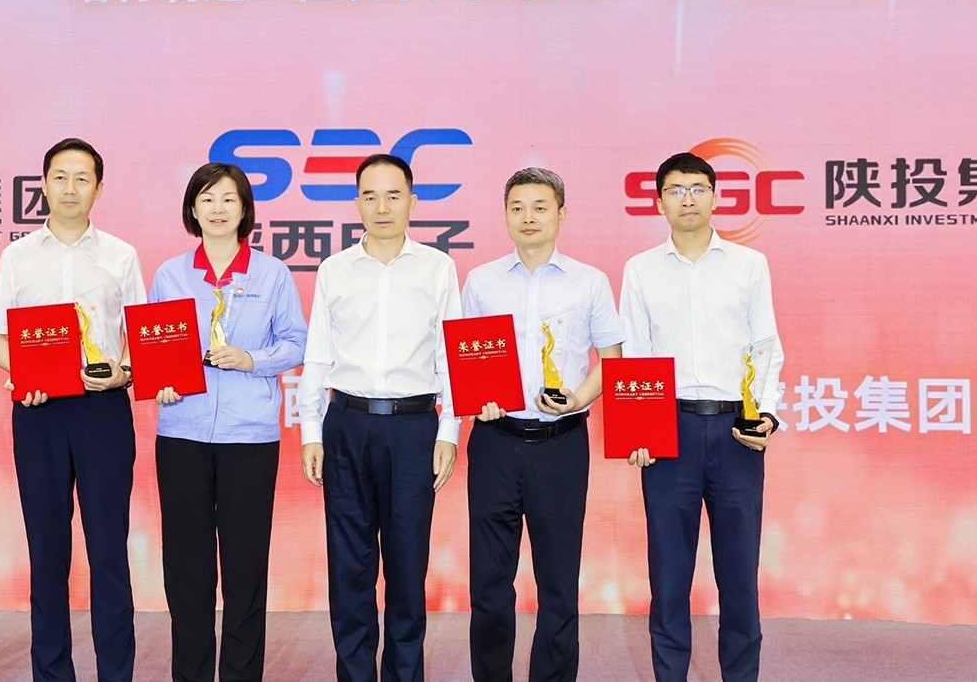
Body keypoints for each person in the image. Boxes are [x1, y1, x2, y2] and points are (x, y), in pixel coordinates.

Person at [620, 151, 784, 682]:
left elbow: (766, 347)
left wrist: (766, 416)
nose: (686, 199)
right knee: (669, 578)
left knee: (739, 576)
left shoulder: (748, 265)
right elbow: (635, 355)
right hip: (668, 432)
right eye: (675, 190)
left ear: (715, 197)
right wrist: (638, 430)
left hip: (737, 433)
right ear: (659, 203)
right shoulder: (640, 270)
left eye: (697, 188)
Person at [297, 153, 461, 682]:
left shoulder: (437, 268)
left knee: (408, 568)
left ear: (413, 202)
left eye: (393, 195)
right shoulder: (335, 269)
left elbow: (451, 357)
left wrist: (449, 430)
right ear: (356, 204)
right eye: (370, 196)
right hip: (345, 424)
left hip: (414, 428)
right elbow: (318, 354)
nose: (382, 206)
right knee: (349, 567)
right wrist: (310, 431)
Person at [0, 138, 145, 682]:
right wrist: (25, 373)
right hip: (39, 411)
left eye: (82, 178)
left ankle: (115, 673)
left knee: (108, 550)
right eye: (60, 177)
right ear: (43, 185)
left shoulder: (121, 255)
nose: (70, 188)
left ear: (99, 189)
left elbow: (139, 334)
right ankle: (52, 673)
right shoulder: (17, 256)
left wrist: (125, 371)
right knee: (47, 551)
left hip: (103, 411)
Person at [461, 168, 623, 682]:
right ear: (505, 214)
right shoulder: (481, 281)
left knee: (558, 583)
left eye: (539, 207)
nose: (527, 217)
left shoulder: (589, 281)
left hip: (561, 446)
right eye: (517, 207)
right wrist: (477, 400)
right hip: (495, 442)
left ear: (561, 214)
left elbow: (613, 362)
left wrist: (577, 397)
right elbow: (465, 355)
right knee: (489, 584)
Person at [149, 162, 308, 682]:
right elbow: (153, 347)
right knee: (186, 568)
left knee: (245, 567)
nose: (217, 209)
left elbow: (297, 343)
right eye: (207, 198)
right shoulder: (170, 274)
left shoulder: (272, 273)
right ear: (192, 209)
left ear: (245, 210)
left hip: (249, 437)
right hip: (183, 433)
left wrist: (251, 360)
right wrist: (160, 380)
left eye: (228, 199)